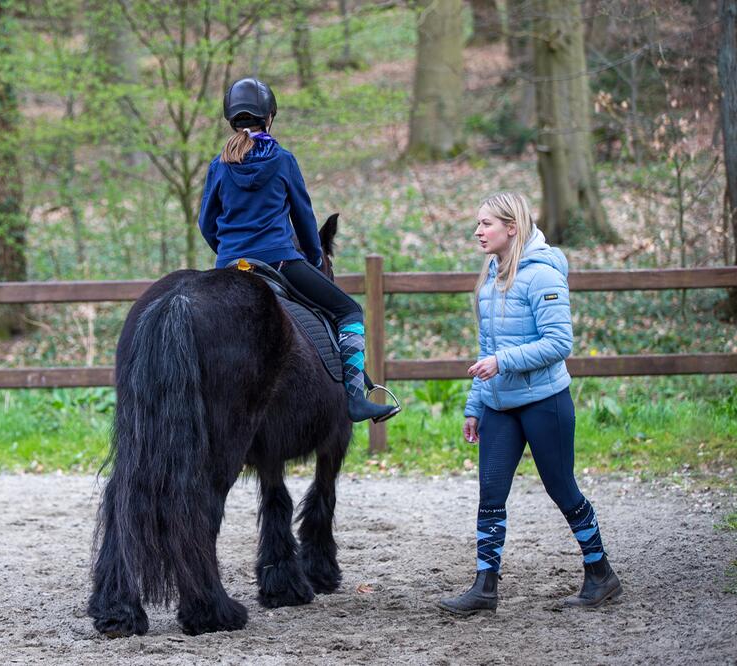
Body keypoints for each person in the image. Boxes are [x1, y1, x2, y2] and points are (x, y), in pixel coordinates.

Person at [438, 191, 622, 616]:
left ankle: (600, 573)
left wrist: (502, 362)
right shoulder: (491, 272)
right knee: (491, 493)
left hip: (545, 403)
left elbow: (559, 343)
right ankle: (485, 586)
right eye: (478, 223)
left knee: (562, 489)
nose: (478, 231)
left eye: (486, 224)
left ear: (512, 228)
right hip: (500, 406)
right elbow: (487, 345)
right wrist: (475, 405)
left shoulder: (542, 276)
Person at [198, 77, 398, 424]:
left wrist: (228, 253)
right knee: (349, 311)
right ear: (269, 118)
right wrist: (314, 258)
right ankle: (355, 398)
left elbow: (205, 221)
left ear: (232, 118)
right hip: (279, 259)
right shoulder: (283, 160)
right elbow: (304, 218)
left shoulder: (220, 165)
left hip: (230, 263)